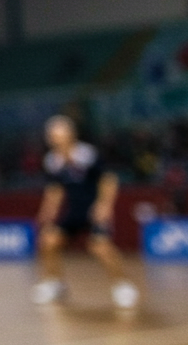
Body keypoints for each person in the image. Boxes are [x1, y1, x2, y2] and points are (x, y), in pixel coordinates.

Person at [32, 115, 139, 309]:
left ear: (70, 134)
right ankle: (55, 284)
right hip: (74, 211)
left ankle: (122, 286)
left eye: (58, 134)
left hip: (93, 210)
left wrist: (104, 205)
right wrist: (47, 211)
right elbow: (55, 189)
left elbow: (108, 180)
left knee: (100, 246)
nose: (54, 138)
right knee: (49, 240)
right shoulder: (52, 161)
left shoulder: (87, 154)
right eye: (51, 135)